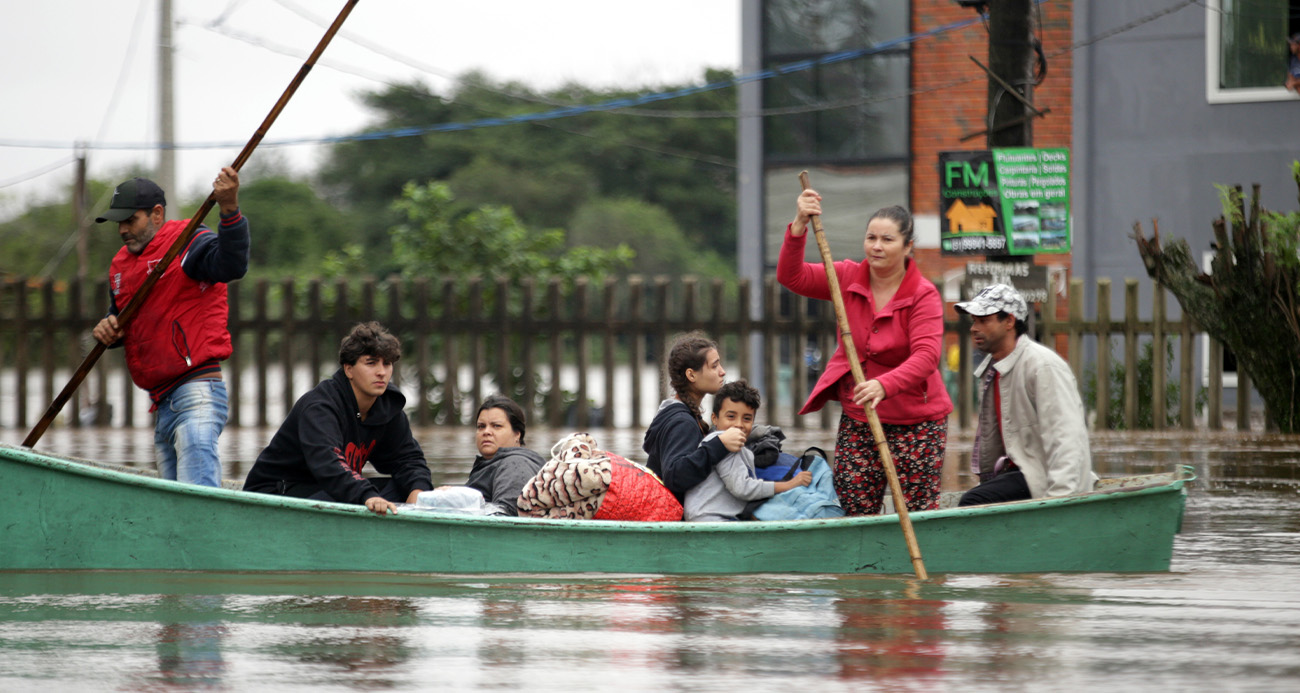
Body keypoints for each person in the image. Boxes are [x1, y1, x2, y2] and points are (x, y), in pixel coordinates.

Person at [777, 191, 953, 516]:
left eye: (887, 239)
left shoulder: (923, 295)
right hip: (861, 416)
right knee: (854, 507)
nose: (876, 246)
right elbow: (792, 276)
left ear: (907, 246)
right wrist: (799, 224)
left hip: (917, 421)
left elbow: (927, 356)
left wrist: (885, 385)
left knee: (918, 513)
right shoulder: (845, 276)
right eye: (871, 237)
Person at [91, 169, 248, 487]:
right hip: (161, 405)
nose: (122, 230)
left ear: (157, 214)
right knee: (175, 509)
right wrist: (108, 331)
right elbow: (122, 320)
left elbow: (232, 265)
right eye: (118, 223)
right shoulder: (121, 265)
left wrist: (229, 209)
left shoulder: (189, 243)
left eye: (130, 220)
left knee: (196, 501)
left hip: (197, 394)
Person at [243, 322, 433, 516]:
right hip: (279, 493)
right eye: (371, 363)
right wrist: (366, 495)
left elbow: (408, 459)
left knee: (405, 488)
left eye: (387, 364)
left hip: (331, 490)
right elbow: (328, 463)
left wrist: (418, 492)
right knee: (358, 496)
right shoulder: (320, 407)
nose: (381, 372)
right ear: (348, 369)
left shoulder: (387, 407)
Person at [954, 284, 1096, 506]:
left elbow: (1066, 437)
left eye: (983, 320)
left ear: (1009, 321)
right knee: (979, 497)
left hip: (1045, 479)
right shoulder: (994, 369)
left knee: (972, 501)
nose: (974, 328)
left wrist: (1061, 500)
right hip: (1018, 474)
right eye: (974, 321)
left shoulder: (1042, 366)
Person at [683, 380, 812, 522]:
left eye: (747, 418)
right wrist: (789, 484)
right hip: (711, 519)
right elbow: (742, 488)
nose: (739, 424)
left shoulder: (728, 443)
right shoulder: (725, 442)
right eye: (731, 416)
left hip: (708, 515)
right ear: (715, 418)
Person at [642, 332, 746, 502]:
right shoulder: (682, 422)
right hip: (674, 518)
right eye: (714, 366)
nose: (723, 372)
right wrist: (719, 444)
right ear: (691, 375)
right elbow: (675, 476)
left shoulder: (679, 414)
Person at [462, 394, 546, 516]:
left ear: (517, 434)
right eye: (481, 426)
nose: (486, 432)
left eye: (496, 426)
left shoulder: (515, 464)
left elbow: (506, 515)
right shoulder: (494, 463)